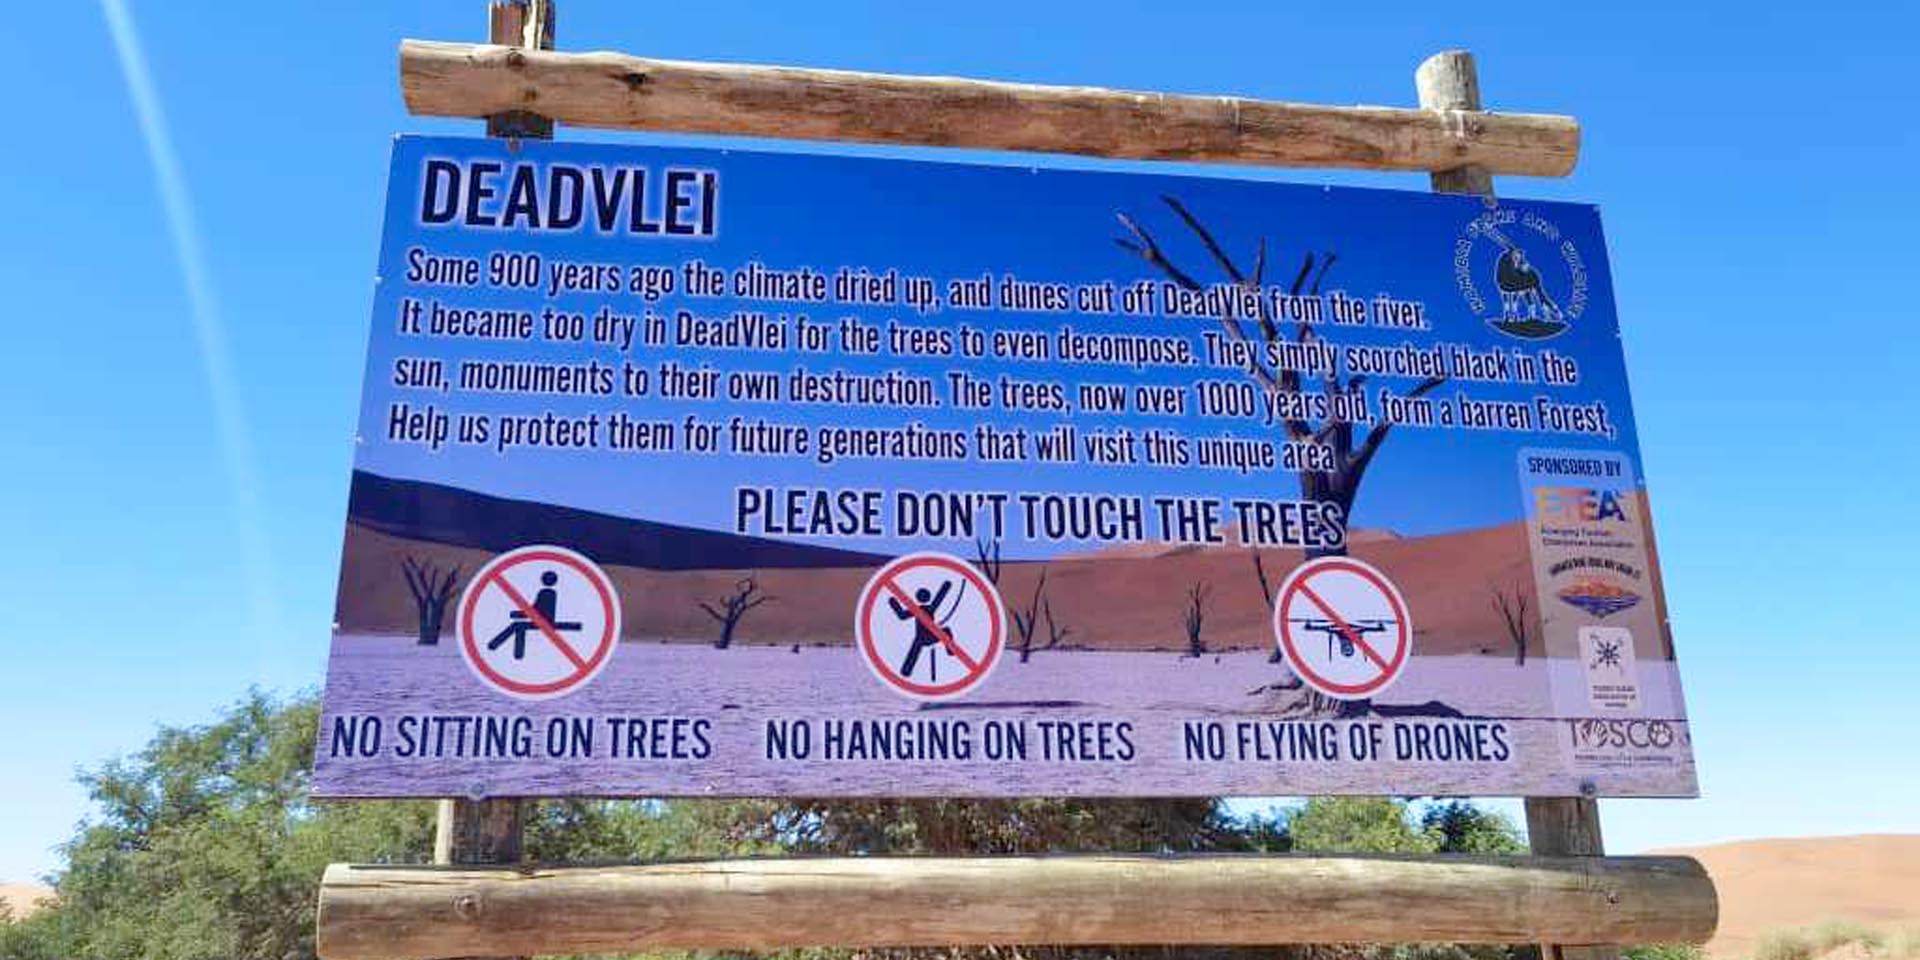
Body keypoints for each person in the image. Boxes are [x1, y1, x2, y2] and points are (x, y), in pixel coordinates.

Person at [488, 570, 578, 659]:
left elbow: (536, 610)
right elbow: (535, 610)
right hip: (542, 620)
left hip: (544, 622)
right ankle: (498, 646)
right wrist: (522, 614)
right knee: (518, 625)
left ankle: (508, 650)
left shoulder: (545, 593)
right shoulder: (550, 593)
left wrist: (520, 614)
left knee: (518, 626)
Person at [888, 579, 954, 681]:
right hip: (931, 636)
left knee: (913, 653)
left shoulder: (916, 609)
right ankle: (951, 651)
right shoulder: (930, 608)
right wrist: (946, 586)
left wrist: (893, 603)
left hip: (919, 638)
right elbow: (939, 598)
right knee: (946, 631)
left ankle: (906, 671)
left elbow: (901, 615)